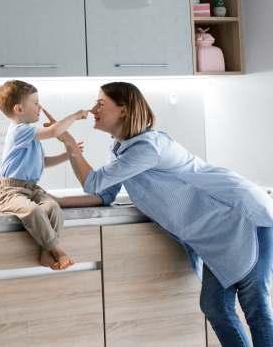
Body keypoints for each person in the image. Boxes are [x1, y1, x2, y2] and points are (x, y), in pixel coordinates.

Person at [66, 81, 273, 347]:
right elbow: (103, 194)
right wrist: (51, 201)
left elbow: (93, 182)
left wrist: (69, 144)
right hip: (216, 232)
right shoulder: (121, 149)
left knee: (255, 306)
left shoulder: (148, 147)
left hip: (241, 216)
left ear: (123, 110)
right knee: (215, 306)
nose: (93, 109)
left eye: (100, 103)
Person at [0, 79, 88, 270]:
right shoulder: (20, 131)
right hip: (11, 191)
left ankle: (46, 253)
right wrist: (76, 115)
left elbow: (43, 162)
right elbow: (54, 131)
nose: (40, 107)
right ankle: (58, 250)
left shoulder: (31, 137)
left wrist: (68, 154)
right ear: (19, 109)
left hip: (31, 188)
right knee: (34, 211)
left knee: (53, 208)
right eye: (36, 103)